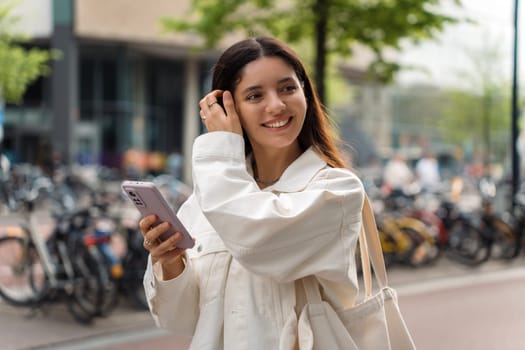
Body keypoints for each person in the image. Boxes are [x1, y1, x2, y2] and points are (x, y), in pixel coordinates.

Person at [139, 36, 365, 349]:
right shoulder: (207, 200)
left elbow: (257, 240)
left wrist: (221, 150)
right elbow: (181, 319)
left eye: (288, 88)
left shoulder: (336, 190)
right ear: (227, 109)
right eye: (255, 95)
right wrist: (171, 263)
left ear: (305, 95)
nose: (276, 105)